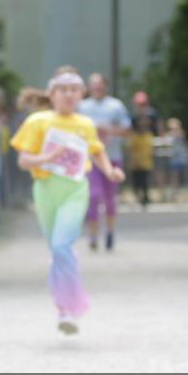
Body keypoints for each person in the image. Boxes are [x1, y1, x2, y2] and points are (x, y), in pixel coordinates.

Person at [11, 71, 125, 334]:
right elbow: (24, 160)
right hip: (46, 189)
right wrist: (49, 156)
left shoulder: (85, 124)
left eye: (74, 89)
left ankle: (71, 306)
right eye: (63, 89)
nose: (69, 94)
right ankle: (64, 308)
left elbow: (96, 149)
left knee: (63, 246)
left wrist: (109, 171)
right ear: (51, 94)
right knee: (57, 250)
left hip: (75, 190)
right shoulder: (38, 121)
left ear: (82, 94)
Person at [78, 72, 131, 251]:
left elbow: (126, 130)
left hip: (112, 157)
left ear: (105, 87)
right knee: (92, 196)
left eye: (99, 85)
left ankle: (109, 231)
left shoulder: (115, 106)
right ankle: (93, 236)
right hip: (90, 160)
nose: (97, 89)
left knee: (109, 199)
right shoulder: (82, 107)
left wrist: (108, 130)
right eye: (93, 86)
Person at [126, 113, 154, 208]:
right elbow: (130, 149)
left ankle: (145, 198)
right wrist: (134, 159)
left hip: (146, 162)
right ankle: (139, 198)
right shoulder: (135, 136)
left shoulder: (149, 135)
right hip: (136, 164)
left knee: (145, 181)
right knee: (137, 182)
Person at [166, 117, 188, 201]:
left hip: (180, 159)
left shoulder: (180, 133)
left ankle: (177, 193)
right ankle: (174, 193)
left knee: (178, 176)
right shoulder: (169, 134)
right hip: (173, 159)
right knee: (174, 176)